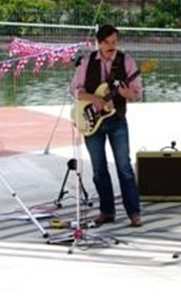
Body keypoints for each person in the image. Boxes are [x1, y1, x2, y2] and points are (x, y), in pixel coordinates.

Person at [71, 24, 143, 227]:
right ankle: (106, 211)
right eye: (107, 42)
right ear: (99, 42)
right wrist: (95, 99)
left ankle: (134, 212)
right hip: (91, 121)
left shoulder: (126, 61)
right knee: (99, 169)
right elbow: (75, 90)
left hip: (117, 120)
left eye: (114, 42)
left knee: (124, 167)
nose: (112, 46)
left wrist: (126, 94)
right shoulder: (87, 62)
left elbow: (137, 94)